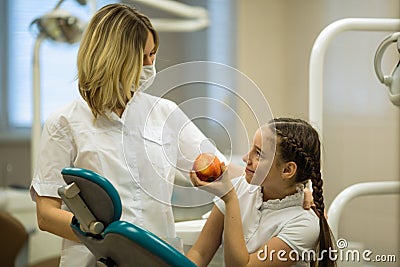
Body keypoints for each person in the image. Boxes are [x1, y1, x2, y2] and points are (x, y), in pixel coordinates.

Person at [29, 4, 239, 266]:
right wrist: (101, 234)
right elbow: (46, 215)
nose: (151, 64)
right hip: (94, 260)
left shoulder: (164, 113)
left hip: (157, 258)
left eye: (153, 54)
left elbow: (224, 171)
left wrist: (294, 187)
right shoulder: (65, 123)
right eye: (143, 56)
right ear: (114, 58)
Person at [187, 118, 336, 267]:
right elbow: (200, 253)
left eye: (258, 153)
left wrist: (230, 199)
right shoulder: (239, 187)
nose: (246, 158)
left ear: (287, 170)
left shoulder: (305, 224)